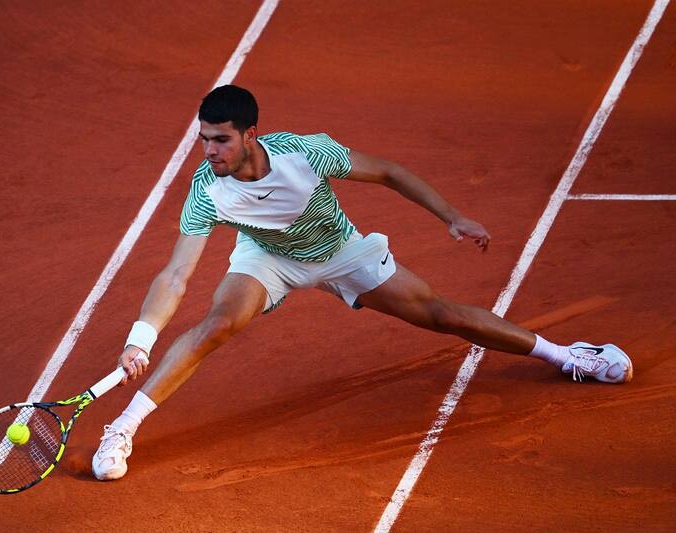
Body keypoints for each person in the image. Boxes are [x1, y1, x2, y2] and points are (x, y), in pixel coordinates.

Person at [91, 85, 633, 480]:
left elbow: (390, 172)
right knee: (218, 323)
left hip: (339, 250)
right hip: (268, 256)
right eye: (204, 140)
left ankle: (568, 356)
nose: (209, 152)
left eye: (220, 140)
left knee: (440, 314)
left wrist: (451, 216)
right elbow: (177, 272)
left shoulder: (305, 153)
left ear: (250, 134)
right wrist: (141, 337)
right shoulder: (207, 189)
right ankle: (122, 428)